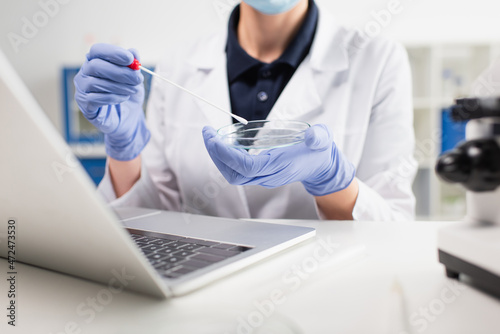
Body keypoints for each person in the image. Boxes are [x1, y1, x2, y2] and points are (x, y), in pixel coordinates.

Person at [74, 0, 416, 221]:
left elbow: (394, 228)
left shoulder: (378, 60)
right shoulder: (178, 64)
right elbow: (152, 221)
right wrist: (124, 150)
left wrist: (332, 183)